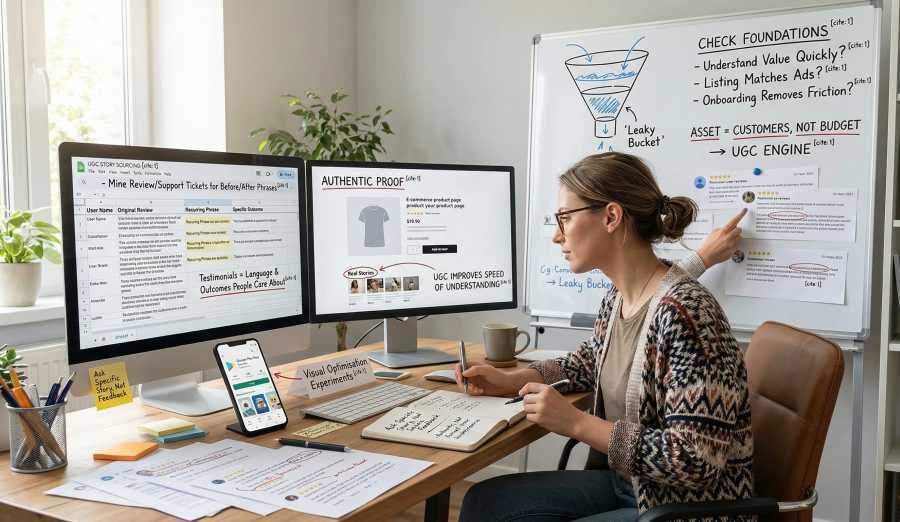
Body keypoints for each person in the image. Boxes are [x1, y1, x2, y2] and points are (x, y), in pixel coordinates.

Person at [457, 152, 753, 522]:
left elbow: (695, 460)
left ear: (611, 217)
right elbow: (588, 362)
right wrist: (511, 380)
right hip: (630, 486)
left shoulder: (689, 315)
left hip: (682, 510)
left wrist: (577, 424)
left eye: (565, 218)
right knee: (483, 503)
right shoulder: (619, 297)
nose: (556, 235)